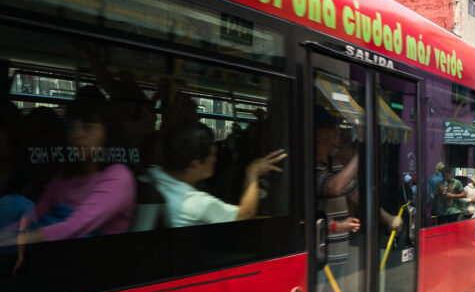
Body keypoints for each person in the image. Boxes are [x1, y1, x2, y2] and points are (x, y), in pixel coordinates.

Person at [18, 97, 136, 244]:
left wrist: (12, 239)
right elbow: (35, 215)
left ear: (108, 132)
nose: (77, 135)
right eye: (72, 127)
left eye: (88, 127)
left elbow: (74, 228)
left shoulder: (119, 177)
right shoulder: (64, 177)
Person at [149, 122, 286, 227]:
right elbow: (245, 214)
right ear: (195, 163)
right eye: (212, 155)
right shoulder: (196, 203)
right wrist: (253, 171)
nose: (215, 159)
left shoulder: (153, 174)